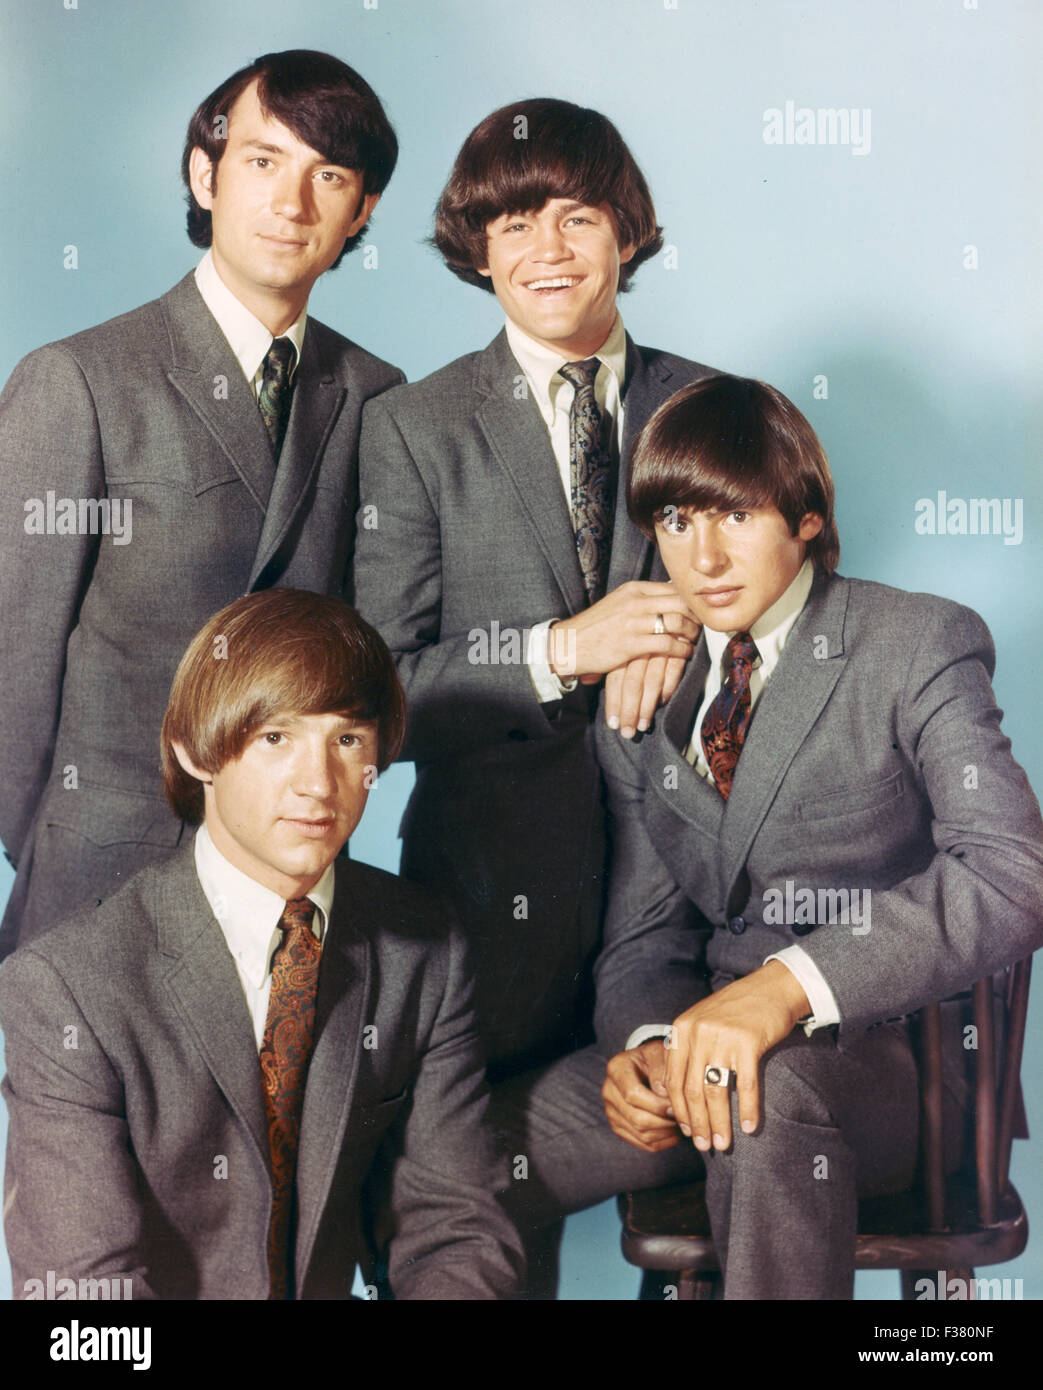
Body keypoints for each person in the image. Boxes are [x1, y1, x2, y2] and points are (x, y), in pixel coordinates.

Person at [493, 373, 1043, 1298]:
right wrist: (645, 1042)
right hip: (696, 1056)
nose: (701, 555)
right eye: (673, 521)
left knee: (765, 1099)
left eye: (734, 516)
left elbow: (1011, 873)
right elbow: (646, 938)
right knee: (442, 1158)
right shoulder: (646, 692)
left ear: (806, 518)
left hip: (891, 1071)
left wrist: (785, 990)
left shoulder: (915, 643)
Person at [0, 590, 524, 1300]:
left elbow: (457, 1231)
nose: (318, 784)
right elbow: (83, 1304)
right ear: (196, 751)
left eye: (346, 740)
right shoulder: (66, 985)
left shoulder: (423, 950)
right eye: (276, 738)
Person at [0, 49, 403, 956]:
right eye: (263, 161)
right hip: (94, 888)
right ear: (205, 173)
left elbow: (377, 653)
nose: (291, 203)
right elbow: (9, 666)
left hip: (287, 892)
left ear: (362, 210)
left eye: (327, 175)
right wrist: (50, 847)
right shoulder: (77, 382)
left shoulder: (376, 394)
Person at [354, 97, 714, 1077]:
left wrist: (681, 628)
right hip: (484, 902)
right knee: (467, 1204)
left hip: (692, 901)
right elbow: (381, 695)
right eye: (515, 223)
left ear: (625, 232)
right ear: (477, 248)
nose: (545, 249)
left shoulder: (713, 409)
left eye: (576, 217)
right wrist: (561, 650)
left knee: (727, 1156)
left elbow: (795, 622)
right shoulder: (412, 430)